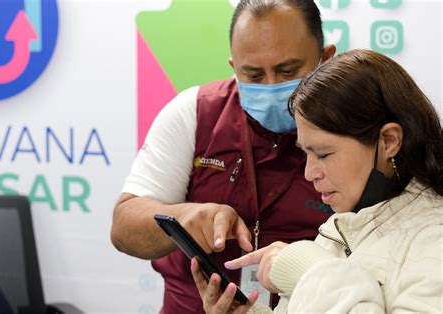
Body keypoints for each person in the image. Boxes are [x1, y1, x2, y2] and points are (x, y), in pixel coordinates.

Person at [110, 0, 336, 312]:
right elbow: (124, 228)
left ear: (326, 59)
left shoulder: (355, 130)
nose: (271, 87)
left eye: (287, 70)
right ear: (234, 67)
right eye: (253, 76)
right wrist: (186, 218)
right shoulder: (195, 112)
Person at [191, 49, 443, 313]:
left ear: (389, 141)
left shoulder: (434, 240)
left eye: (324, 154)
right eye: (306, 152)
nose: (310, 173)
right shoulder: (339, 228)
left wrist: (310, 267)